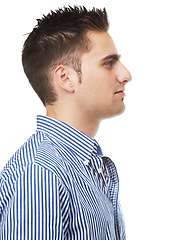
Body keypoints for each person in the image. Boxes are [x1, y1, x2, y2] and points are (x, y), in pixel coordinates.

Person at [0, 6, 131, 240]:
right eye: (108, 63)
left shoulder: (87, 167)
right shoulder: (41, 175)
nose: (125, 75)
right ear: (65, 78)